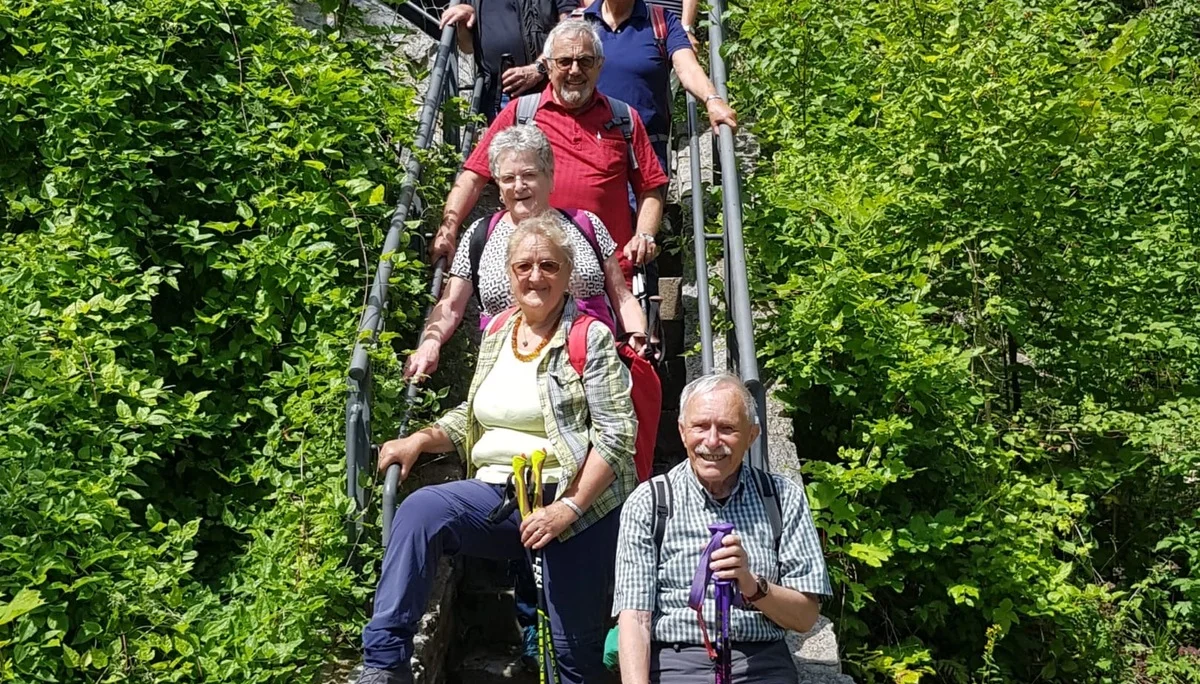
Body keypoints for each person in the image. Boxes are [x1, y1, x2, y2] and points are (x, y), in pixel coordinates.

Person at [356, 215, 638, 684]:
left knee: (569, 657)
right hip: (500, 497)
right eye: (523, 265)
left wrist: (567, 508)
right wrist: (420, 440)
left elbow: (616, 435)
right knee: (423, 510)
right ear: (508, 274)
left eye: (549, 265)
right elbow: (473, 413)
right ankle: (384, 666)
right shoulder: (498, 331)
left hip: (575, 506)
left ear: (569, 273)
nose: (535, 276)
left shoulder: (590, 337)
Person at [612, 373, 832, 683]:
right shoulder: (649, 502)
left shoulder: (781, 498)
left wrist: (751, 584)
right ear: (682, 431)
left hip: (760, 664)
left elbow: (805, 617)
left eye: (727, 429)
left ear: (752, 435)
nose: (712, 441)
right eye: (700, 426)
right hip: (678, 663)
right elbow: (635, 617)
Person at [431, 19, 669, 281]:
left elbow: (650, 188)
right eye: (565, 61)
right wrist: (448, 229)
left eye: (585, 61)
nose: (575, 70)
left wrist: (644, 235)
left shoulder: (624, 118)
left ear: (600, 65)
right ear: (548, 66)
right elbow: (473, 177)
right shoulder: (520, 114)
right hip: (532, 277)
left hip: (607, 279)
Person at [405, 124, 648, 380]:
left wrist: (637, 335)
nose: (518, 186)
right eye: (508, 179)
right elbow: (451, 305)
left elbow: (621, 297)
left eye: (529, 175)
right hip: (510, 376)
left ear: (550, 177)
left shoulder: (586, 224)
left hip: (589, 369)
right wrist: (429, 343)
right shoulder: (480, 234)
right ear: (498, 187)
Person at [579, 0, 738, 177]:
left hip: (645, 157)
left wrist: (712, 99)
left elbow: (687, 68)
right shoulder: (578, 23)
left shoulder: (661, 21)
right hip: (588, 151)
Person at [439, 0, 577, 120]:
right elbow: (467, 48)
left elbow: (571, 28)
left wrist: (540, 68)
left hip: (544, 89)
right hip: (496, 94)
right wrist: (463, 24)